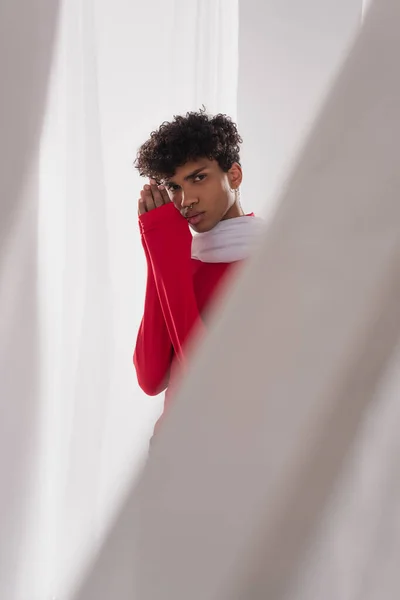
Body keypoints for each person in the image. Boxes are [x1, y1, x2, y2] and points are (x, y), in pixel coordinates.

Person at [133, 108, 264, 440]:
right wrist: (157, 252)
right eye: (174, 187)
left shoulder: (267, 265)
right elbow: (150, 378)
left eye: (198, 177)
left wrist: (169, 258)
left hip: (225, 460)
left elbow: (210, 387)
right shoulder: (182, 260)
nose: (185, 199)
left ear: (234, 175)